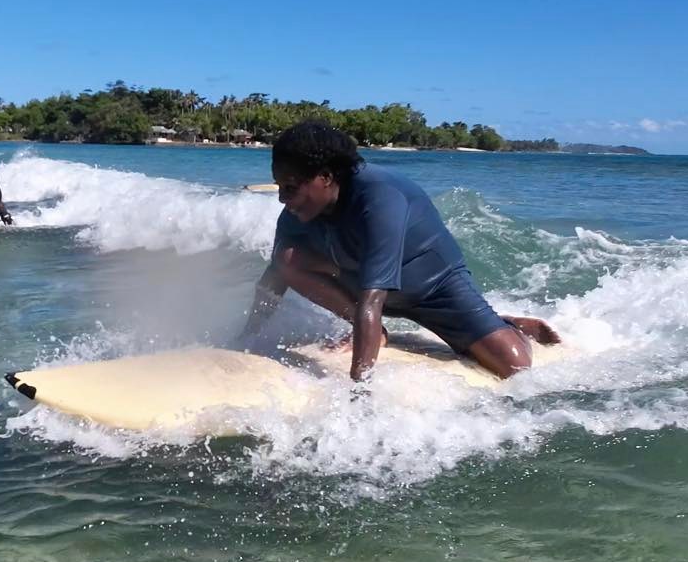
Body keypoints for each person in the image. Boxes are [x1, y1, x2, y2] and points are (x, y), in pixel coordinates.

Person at [238, 121, 558, 381]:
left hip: (435, 289)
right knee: (286, 259)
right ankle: (377, 332)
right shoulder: (296, 214)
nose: (282, 198)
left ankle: (511, 326)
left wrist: (359, 387)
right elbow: (273, 280)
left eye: (290, 188)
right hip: (365, 286)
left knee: (514, 367)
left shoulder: (379, 198)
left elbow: (372, 298)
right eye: (279, 186)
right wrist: (245, 340)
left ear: (325, 177)